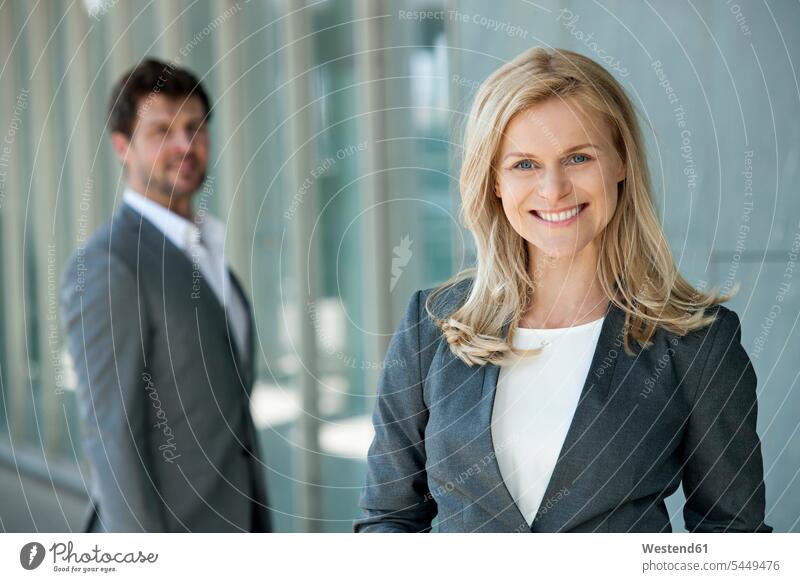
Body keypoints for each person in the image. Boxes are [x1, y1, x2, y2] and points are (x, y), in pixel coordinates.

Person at [354, 47, 771, 533]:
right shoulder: (432, 328)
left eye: (577, 157)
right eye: (525, 164)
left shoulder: (697, 342)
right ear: (494, 181)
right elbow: (388, 519)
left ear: (620, 163)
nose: (553, 189)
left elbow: (733, 539)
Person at [60, 59, 271, 532]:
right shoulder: (107, 267)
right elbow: (111, 436)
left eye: (195, 127)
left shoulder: (206, 252)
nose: (185, 145)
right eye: (162, 131)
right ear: (122, 147)